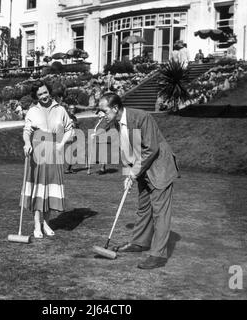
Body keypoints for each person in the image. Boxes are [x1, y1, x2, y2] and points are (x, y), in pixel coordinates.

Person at [96, 92, 180, 269]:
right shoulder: (117, 123)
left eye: (104, 111)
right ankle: (139, 242)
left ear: (115, 108)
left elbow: (151, 148)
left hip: (159, 168)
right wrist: (128, 174)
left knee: (160, 213)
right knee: (144, 207)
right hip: (143, 170)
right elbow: (128, 150)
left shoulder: (142, 117)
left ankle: (158, 255)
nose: (102, 115)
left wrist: (133, 173)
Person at [22, 81, 74, 239]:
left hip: (54, 151)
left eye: (45, 93)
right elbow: (26, 130)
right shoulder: (32, 111)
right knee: (38, 188)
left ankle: (46, 223)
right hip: (37, 151)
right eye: (39, 95)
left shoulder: (60, 109)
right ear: (36, 97)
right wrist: (27, 143)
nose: (43, 96)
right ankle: (37, 224)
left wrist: (62, 144)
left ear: (49, 92)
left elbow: (69, 129)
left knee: (49, 189)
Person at [64, 105, 79, 174]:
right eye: (71, 108)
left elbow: (77, 126)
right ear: (68, 109)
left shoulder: (74, 117)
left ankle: (69, 168)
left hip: (73, 136)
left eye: (74, 108)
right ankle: (67, 168)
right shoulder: (66, 116)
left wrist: (75, 125)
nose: (73, 110)